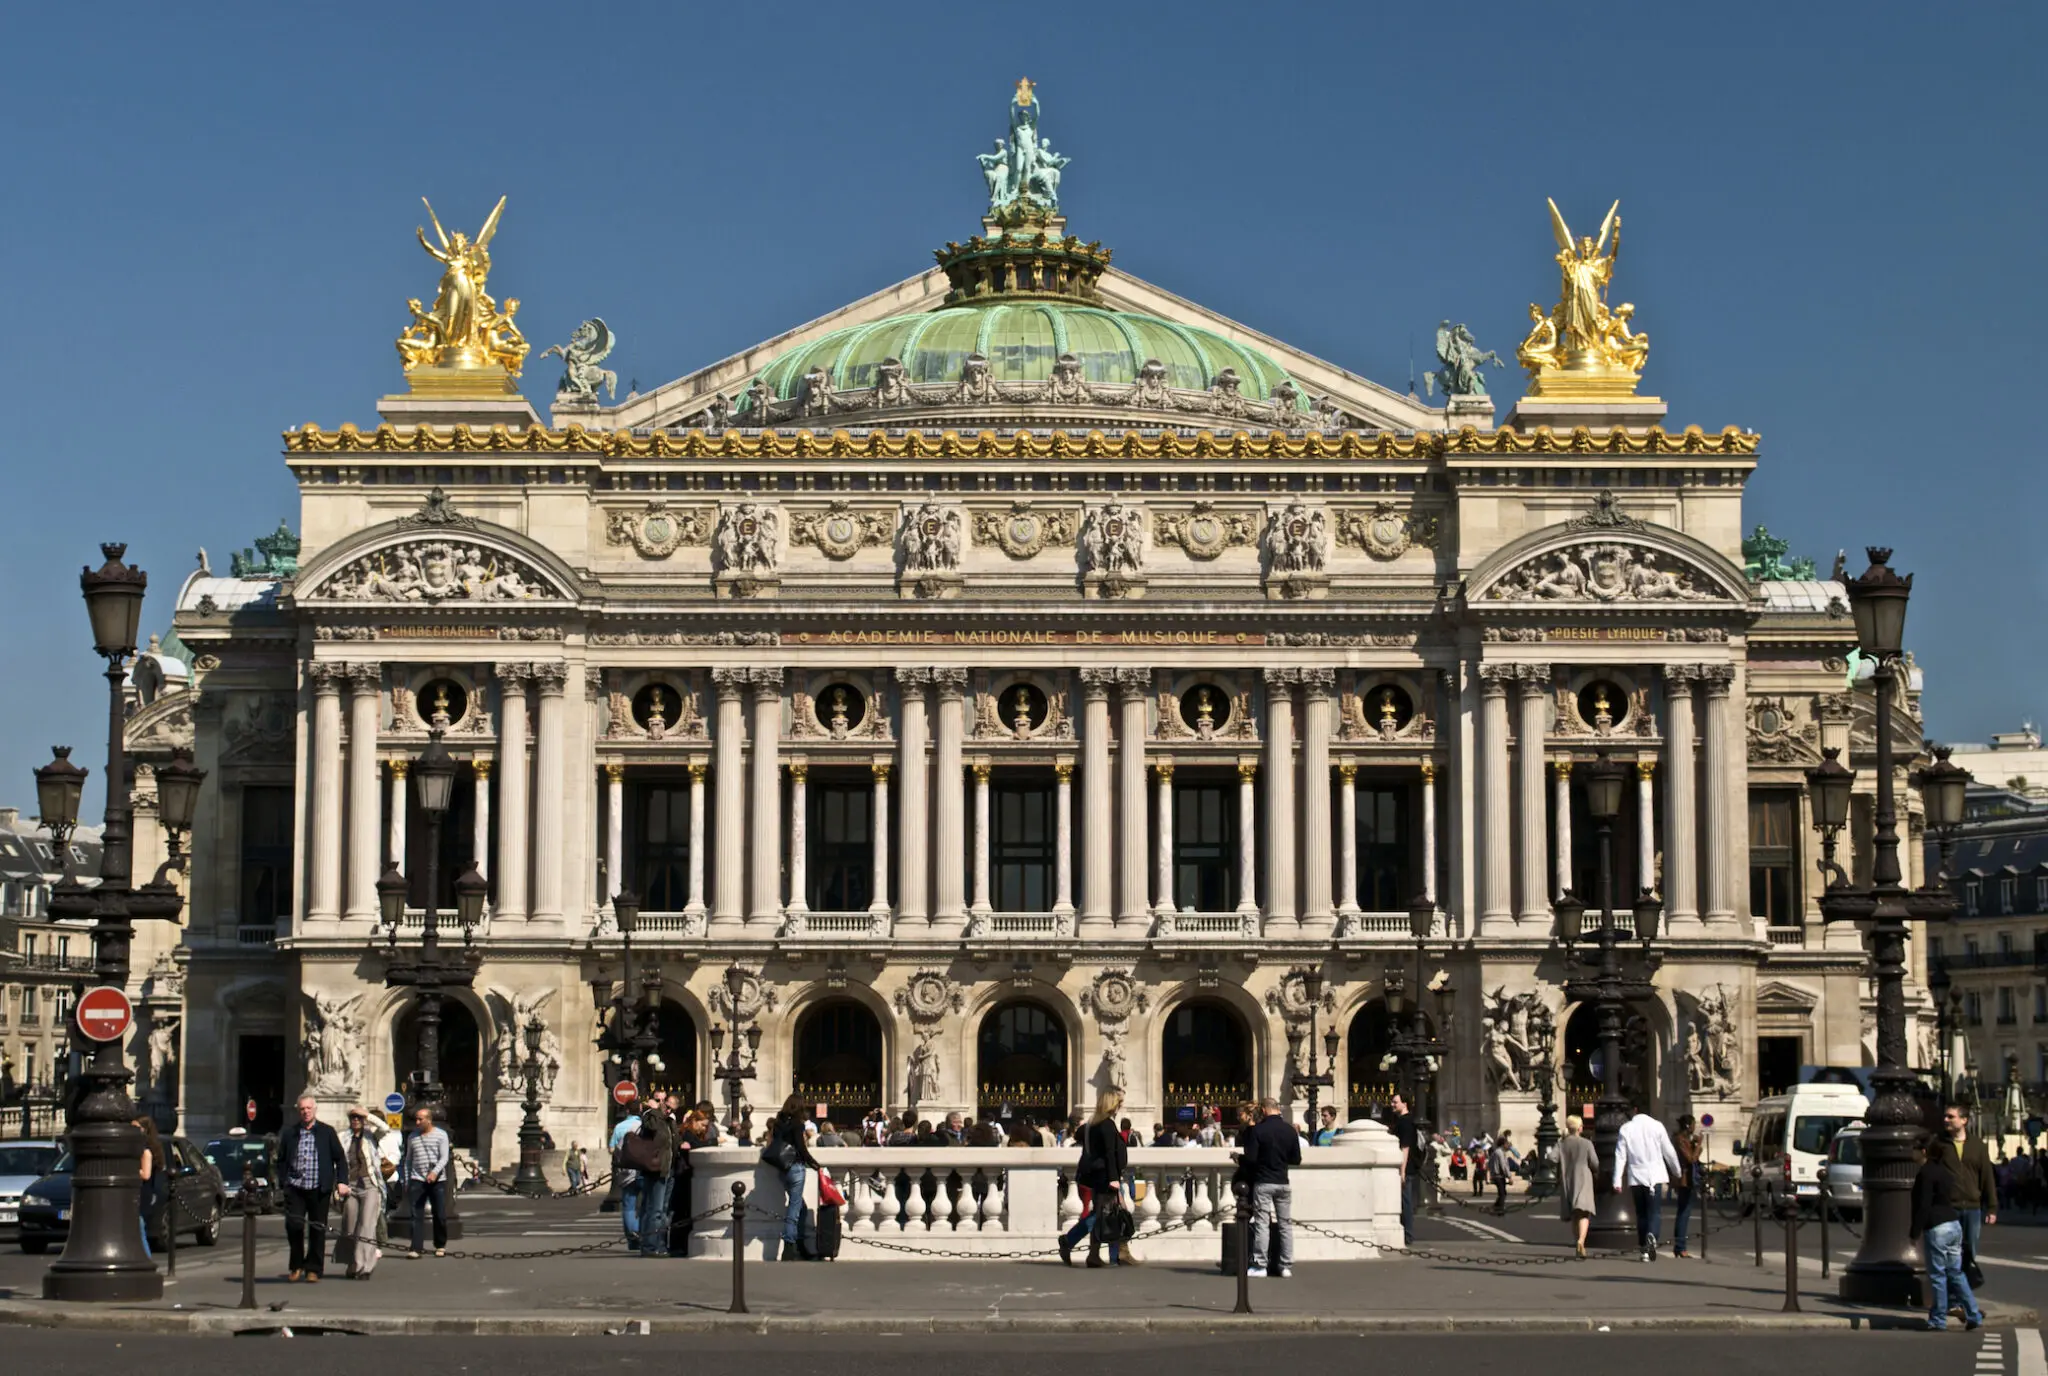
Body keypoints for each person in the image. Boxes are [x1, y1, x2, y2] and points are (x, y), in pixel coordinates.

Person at [1914, 1136, 1985, 1331]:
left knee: (1937, 1275)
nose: (1913, 1152)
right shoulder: (1945, 1172)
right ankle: (1973, 1314)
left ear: (1924, 1152)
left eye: (1916, 1149)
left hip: (1937, 1227)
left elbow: (1923, 1204)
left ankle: (1938, 1319)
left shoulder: (1925, 1173)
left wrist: (1914, 1231)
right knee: (1956, 1273)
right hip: (1953, 1224)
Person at [1059, 1088, 1133, 1268]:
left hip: (1096, 1175)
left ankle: (1095, 1255)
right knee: (1104, 1216)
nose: (1120, 1107)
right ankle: (1070, 1241)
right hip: (1106, 1176)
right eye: (1119, 1103)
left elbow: (1079, 1136)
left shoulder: (1091, 1125)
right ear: (1112, 1105)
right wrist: (1114, 1179)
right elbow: (1109, 1154)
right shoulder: (1106, 1125)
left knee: (1102, 1215)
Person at [278, 1094, 349, 1280]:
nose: (305, 1112)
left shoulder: (327, 1132)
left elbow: (340, 1159)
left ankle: (313, 1269)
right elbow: (281, 1160)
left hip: (319, 1188)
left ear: (315, 1110)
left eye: (309, 1108)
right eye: (302, 1109)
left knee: (317, 1229)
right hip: (296, 1187)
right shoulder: (290, 1133)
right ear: (298, 1111)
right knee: (294, 1226)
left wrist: (342, 1181)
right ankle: (296, 1265)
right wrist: (282, 1182)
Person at [1234, 1096, 1300, 1278]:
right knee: (1285, 1224)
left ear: (1263, 1110)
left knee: (1262, 1224)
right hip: (1283, 1182)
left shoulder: (1259, 1131)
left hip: (1264, 1181)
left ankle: (1260, 1265)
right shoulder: (1290, 1130)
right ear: (1278, 1109)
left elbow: (1252, 1158)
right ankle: (1285, 1265)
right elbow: (1296, 1159)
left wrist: (1239, 1159)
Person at [1612, 1102, 1681, 1262]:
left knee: (1641, 1213)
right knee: (1654, 1211)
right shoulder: (1657, 1126)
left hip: (1636, 1176)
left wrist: (1617, 1180)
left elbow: (1620, 1155)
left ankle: (1643, 1248)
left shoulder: (1626, 1128)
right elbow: (1669, 1152)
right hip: (1655, 1176)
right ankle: (1653, 1236)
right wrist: (1676, 1171)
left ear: (1635, 1110)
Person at [1941, 1102, 1999, 1277]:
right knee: (1949, 1254)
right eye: (1945, 1116)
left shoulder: (1978, 1146)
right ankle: (1953, 1299)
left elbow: (1987, 1177)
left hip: (1972, 1207)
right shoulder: (1939, 1144)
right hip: (1948, 1207)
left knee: (1969, 1253)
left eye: (1951, 1116)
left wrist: (1992, 1207)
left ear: (1964, 1120)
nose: (1946, 1120)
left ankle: (1963, 1295)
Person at [762, 1095, 820, 1261]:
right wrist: (814, 1163)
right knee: (794, 1209)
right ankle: (789, 1247)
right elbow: (801, 1148)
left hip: (782, 1169)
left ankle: (800, 1244)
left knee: (801, 1207)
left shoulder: (779, 1123)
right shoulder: (797, 1125)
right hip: (795, 1167)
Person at [340, 1107, 385, 1279]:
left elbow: (385, 1128)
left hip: (369, 1184)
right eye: (353, 1117)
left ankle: (364, 1267)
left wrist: (368, 1115)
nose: (356, 1120)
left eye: (359, 1118)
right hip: (350, 1185)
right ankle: (353, 1262)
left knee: (367, 1225)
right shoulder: (343, 1137)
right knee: (350, 1226)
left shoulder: (371, 1136)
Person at [632, 1094, 678, 1258]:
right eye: (658, 1100)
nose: (663, 1103)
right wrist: (653, 1111)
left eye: (665, 1100)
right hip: (656, 1169)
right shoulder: (652, 1118)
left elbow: (674, 1143)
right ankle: (650, 1246)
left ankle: (658, 1243)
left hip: (668, 1169)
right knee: (655, 1210)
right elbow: (655, 1134)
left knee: (662, 1210)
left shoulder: (668, 1121)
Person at [402, 1106, 452, 1258]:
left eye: (420, 1119)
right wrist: (406, 1179)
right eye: (416, 1119)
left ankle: (440, 1244)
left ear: (429, 1120)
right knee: (416, 1214)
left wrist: (435, 1172)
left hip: (437, 1180)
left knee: (440, 1213)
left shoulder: (441, 1135)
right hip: (417, 1179)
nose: (417, 1122)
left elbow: (444, 1157)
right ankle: (416, 1247)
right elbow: (408, 1159)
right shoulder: (412, 1137)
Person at [1558, 1114, 1598, 1258]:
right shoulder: (1586, 1143)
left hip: (1568, 1180)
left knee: (1575, 1214)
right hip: (1584, 1180)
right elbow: (1595, 1163)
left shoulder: (1561, 1144)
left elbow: (1550, 1158)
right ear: (1580, 1127)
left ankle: (1576, 1240)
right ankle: (1581, 1241)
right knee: (1584, 1212)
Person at [609, 1107, 643, 1250]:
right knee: (645, 1205)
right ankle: (640, 1232)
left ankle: (632, 1236)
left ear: (628, 1111)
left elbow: (612, 1149)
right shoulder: (644, 1126)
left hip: (626, 1171)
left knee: (628, 1205)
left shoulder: (619, 1127)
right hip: (643, 1170)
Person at [1387, 1093, 1419, 1244]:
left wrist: (1402, 1171)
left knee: (1405, 1202)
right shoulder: (1405, 1120)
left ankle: (1408, 1234)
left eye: (1395, 1102)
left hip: (1406, 1167)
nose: (1392, 1104)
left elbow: (1404, 1148)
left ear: (1404, 1103)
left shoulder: (1405, 1122)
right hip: (1407, 1166)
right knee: (1403, 1201)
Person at [1671, 1114, 1703, 1258]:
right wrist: (1699, 1146)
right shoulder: (1680, 1140)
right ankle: (1680, 1246)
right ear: (1688, 1126)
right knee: (1683, 1213)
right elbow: (1691, 1159)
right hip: (1685, 1180)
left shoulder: (1681, 1139)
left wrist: (1695, 1145)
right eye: (1693, 1124)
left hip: (1686, 1179)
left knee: (1683, 1213)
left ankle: (1679, 1246)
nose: (1695, 1127)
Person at [135, 1115, 165, 1259]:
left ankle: (147, 1260)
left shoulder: (146, 1151)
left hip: (142, 1194)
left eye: (136, 1128)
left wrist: (129, 1169)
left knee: (140, 1230)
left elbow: (145, 1174)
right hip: (139, 1194)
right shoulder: (140, 1149)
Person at [1488, 1131, 1522, 1215]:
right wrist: (1509, 1176)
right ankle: (1500, 1210)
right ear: (1503, 1144)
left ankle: (1496, 1207)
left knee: (1502, 1193)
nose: (1509, 1145)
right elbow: (1503, 1166)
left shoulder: (1500, 1152)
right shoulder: (1499, 1153)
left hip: (1498, 1175)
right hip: (1498, 1175)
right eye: (1507, 1143)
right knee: (1502, 1193)